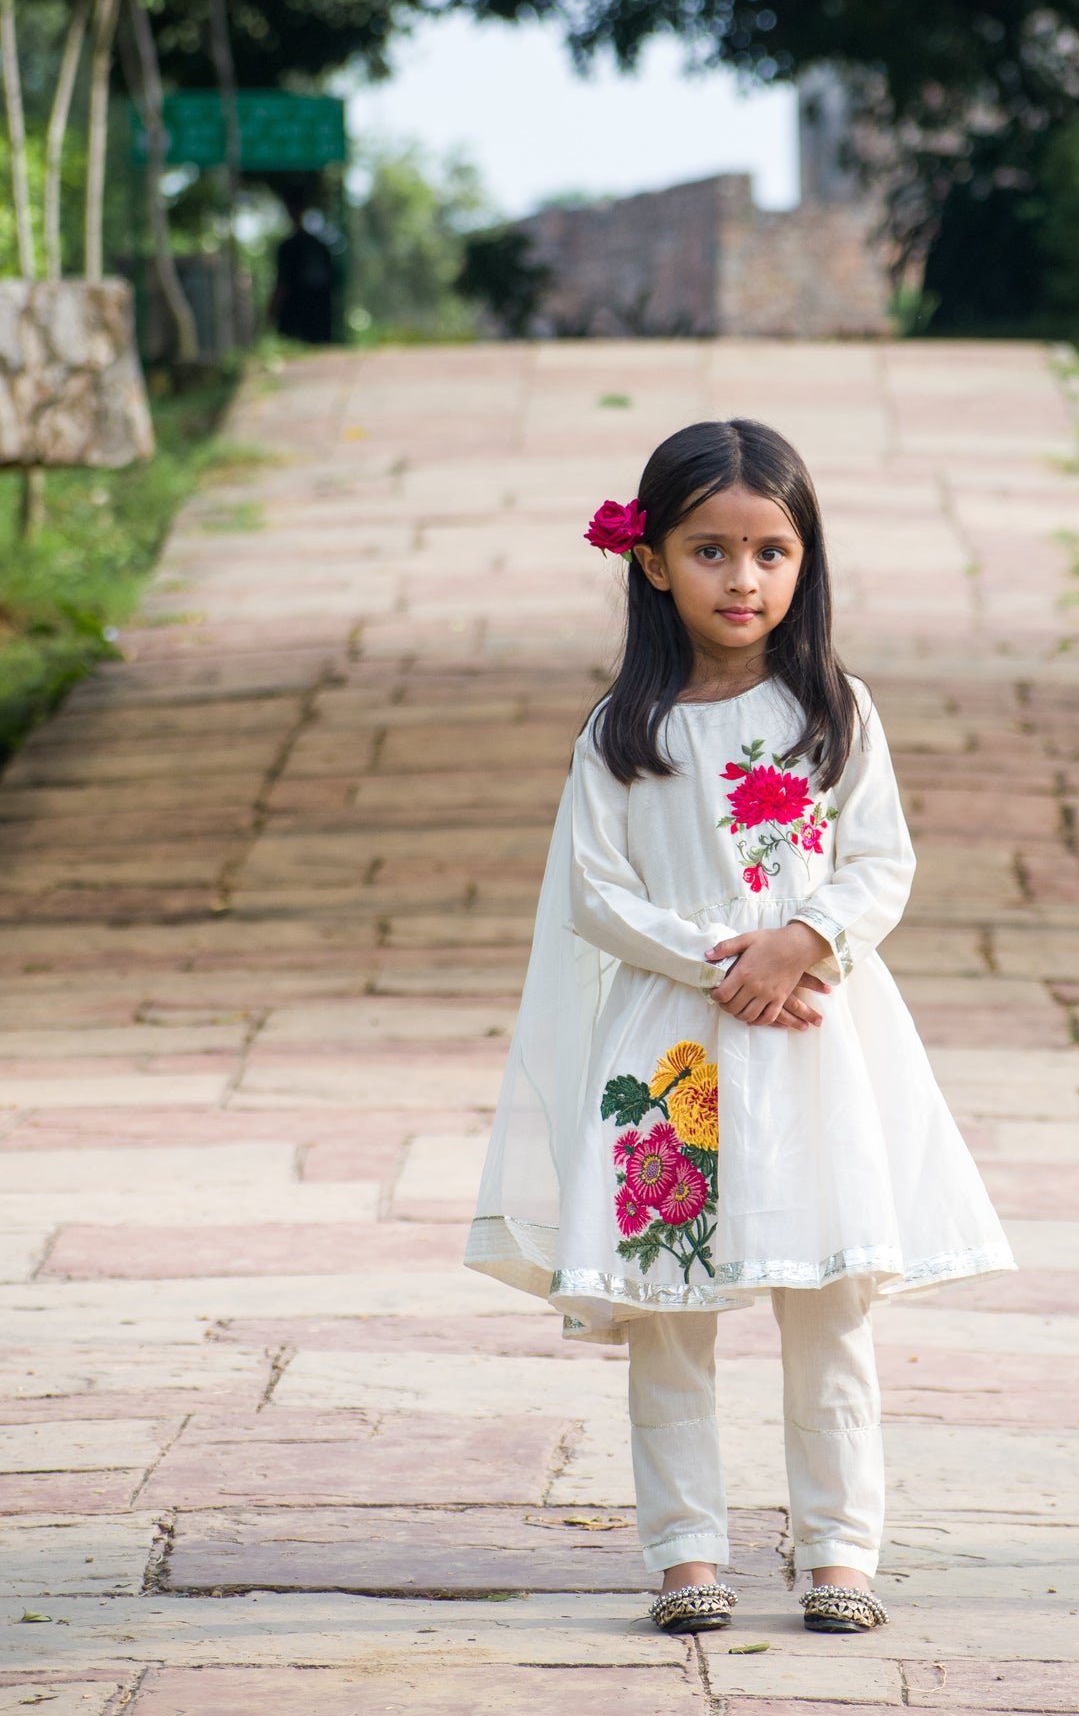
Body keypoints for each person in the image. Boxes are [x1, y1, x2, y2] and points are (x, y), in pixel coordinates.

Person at [466, 418, 1014, 1637]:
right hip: (674, 1052)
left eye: (771, 551)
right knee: (669, 1312)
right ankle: (684, 1549)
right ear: (652, 561)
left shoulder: (833, 708)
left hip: (818, 1033)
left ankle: (838, 1549)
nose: (743, 578)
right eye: (710, 551)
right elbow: (594, 891)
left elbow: (878, 858)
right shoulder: (623, 730)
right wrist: (717, 959)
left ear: (804, 562)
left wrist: (802, 941)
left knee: (826, 1304)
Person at [269, 193, 336, 344]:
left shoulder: (290, 247)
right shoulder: (319, 246)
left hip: (298, 322)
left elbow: (283, 285)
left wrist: (271, 316)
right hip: (319, 320)